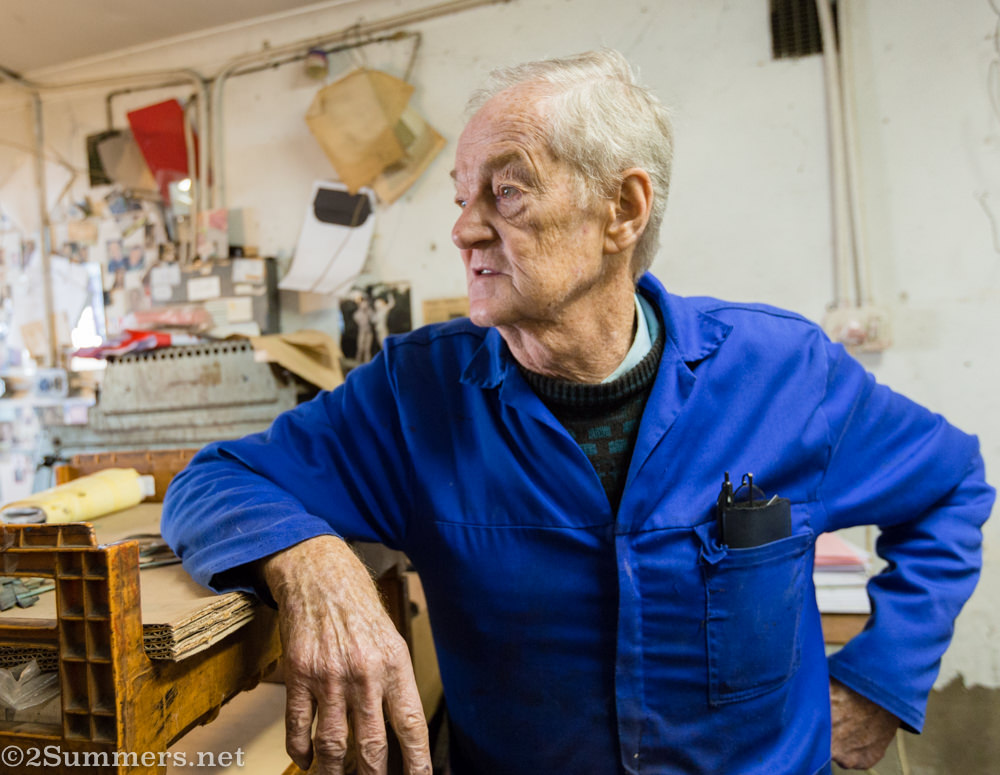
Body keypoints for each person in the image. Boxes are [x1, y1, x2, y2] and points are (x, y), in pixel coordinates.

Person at [162, 49, 994, 775]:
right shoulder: (416, 394)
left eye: (507, 192)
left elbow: (951, 486)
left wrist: (884, 676)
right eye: (461, 195)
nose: (462, 229)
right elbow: (213, 481)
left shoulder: (783, 372)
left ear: (622, 211)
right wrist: (311, 562)